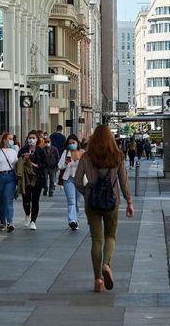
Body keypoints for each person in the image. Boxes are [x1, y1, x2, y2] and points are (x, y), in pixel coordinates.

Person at [75, 125, 133, 293]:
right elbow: (124, 182)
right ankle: (106, 265)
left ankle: (97, 280)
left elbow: (78, 181)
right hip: (112, 201)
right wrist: (129, 201)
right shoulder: (118, 157)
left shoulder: (86, 157)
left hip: (92, 202)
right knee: (110, 236)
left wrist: (87, 192)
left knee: (96, 240)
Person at [17, 131, 48, 230]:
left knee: (35, 200)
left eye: (33, 138)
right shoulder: (23, 150)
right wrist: (23, 158)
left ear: (37, 139)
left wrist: (34, 164)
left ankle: (33, 221)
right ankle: (27, 214)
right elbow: (18, 162)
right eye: (30, 137)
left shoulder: (40, 151)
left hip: (37, 178)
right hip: (25, 179)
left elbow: (44, 164)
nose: (31, 140)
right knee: (26, 199)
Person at [58, 134, 84, 230]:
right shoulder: (65, 153)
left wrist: (79, 160)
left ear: (77, 143)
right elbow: (59, 166)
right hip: (68, 179)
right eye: (70, 143)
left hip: (80, 180)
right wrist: (65, 162)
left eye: (73, 143)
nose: (72, 145)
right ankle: (72, 220)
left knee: (77, 202)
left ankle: (75, 219)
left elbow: (88, 166)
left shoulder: (82, 153)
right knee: (71, 201)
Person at [42, 133, 60, 197]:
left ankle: (51, 191)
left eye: (48, 141)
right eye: (46, 142)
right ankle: (45, 189)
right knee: (45, 179)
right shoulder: (43, 149)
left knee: (52, 180)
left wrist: (57, 165)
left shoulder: (54, 149)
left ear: (50, 142)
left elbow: (58, 157)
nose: (47, 143)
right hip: (45, 167)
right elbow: (41, 158)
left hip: (53, 167)